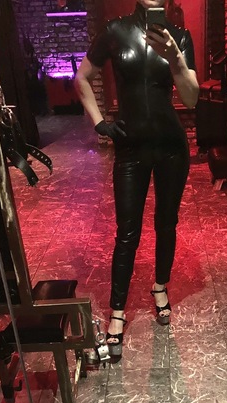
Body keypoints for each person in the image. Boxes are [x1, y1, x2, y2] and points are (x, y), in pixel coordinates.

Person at [75, 0, 199, 357]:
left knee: (166, 222)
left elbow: (191, 99)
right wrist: (100, 123)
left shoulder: (179, 37)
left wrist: (176, 58)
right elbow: (82, 78)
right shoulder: (115, 31)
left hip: (171, 147)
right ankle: (117, 311)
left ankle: (160, 287)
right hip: (130, 148)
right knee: (127, 230)